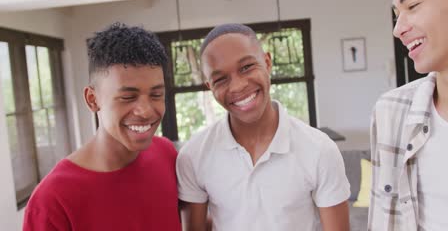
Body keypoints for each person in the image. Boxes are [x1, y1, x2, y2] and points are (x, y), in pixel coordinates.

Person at [176, 23, 350, 231]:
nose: (238, 86)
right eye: (221, 79)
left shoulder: (320, 149)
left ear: (267, 63)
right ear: (209, 87)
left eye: (247, 67)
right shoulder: (193, 156)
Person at [23, 23, 182, 231]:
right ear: (92, 99)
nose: (145, 111)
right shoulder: (52, 199)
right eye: (127, 97)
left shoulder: (166, 153)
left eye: (156, 95)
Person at [369, 0, 448, 230]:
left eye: (412, 5)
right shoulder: (391, 113)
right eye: (396, 15)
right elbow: (383, 221)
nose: (398, 29)